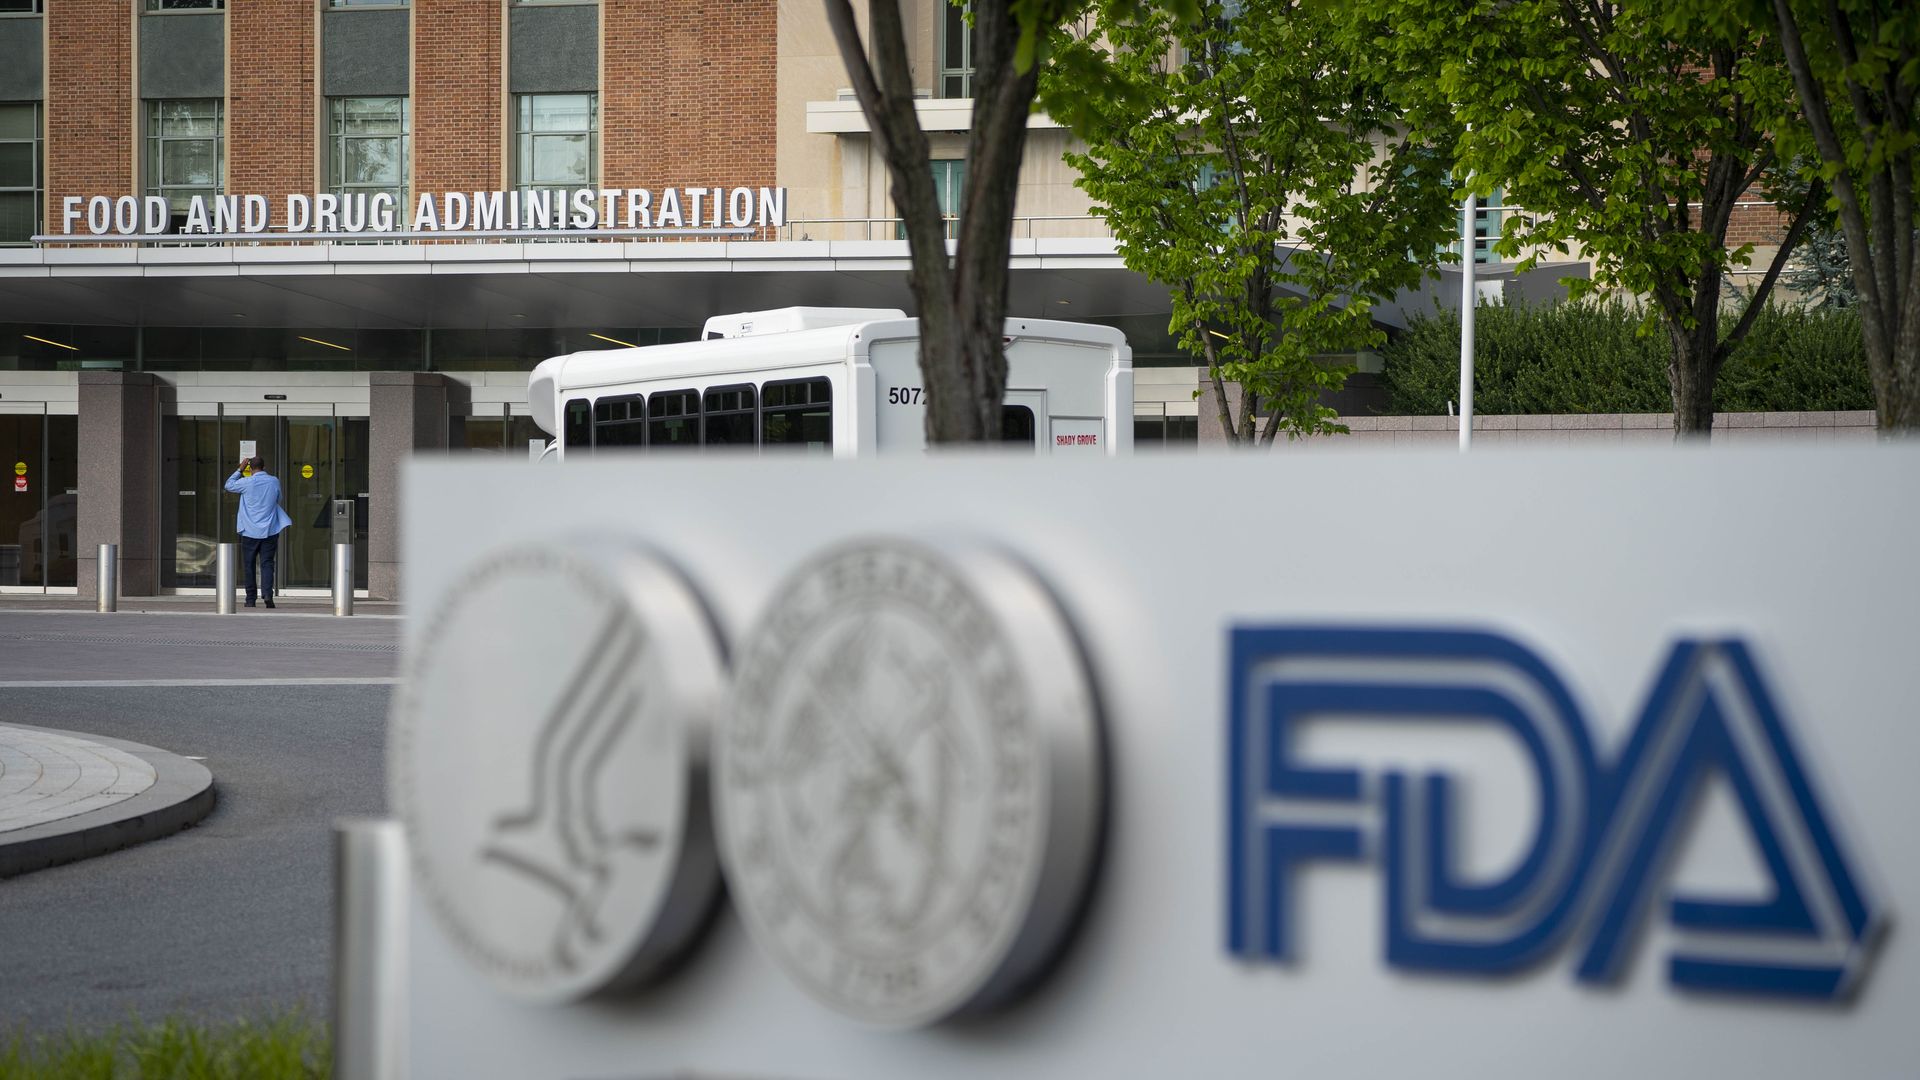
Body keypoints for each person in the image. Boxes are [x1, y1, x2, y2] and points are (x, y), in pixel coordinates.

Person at [224, 456, 294, 609]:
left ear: (250, 469)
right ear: (264, 467)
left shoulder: (246, 482)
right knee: (267, 563)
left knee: (248, 565)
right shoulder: (274, 481)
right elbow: (278, 498)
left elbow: (228, 485)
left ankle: (251, 599)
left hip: (249, 531)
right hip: (270, 530)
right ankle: (268, 595)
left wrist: (240, 469)